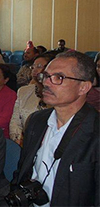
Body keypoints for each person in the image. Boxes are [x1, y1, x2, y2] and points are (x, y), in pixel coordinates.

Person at [10, 51, 98, 206]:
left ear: (83, 87)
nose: (46, 83)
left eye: (58, 77)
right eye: (46, 76)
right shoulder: (37, 120)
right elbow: (22, 170)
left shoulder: (95, 132)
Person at [9, 52, 56, 145]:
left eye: (39, 66)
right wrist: (18, 139)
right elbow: (15, 120)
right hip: (24, 142)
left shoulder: (56, 94)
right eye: (33, 66)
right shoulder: (23, 91)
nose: (34, 69)